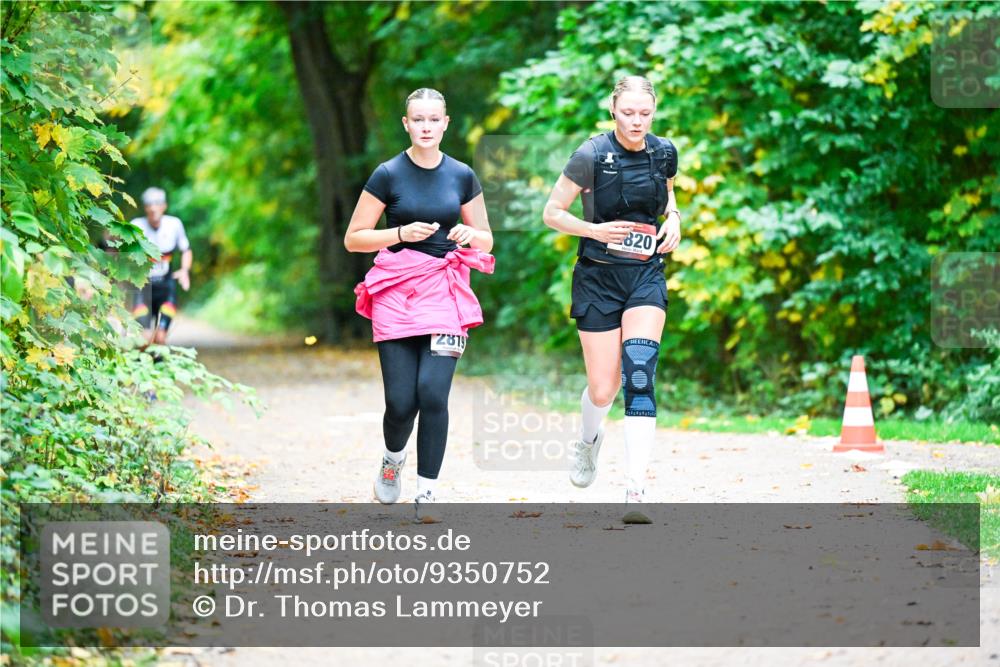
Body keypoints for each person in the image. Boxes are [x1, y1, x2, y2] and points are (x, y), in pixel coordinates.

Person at [345, 88, 494, 520]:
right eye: (418, 120)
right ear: (406, 124)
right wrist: (399, 234)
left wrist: (469, 236)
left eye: (434, 119)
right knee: (401, 403)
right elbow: (354, 238)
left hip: (446, 291)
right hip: (396, 291)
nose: (426, 127)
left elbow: (486, 237)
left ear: (446, 123)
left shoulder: (462, 175)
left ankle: (427, 492)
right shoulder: (388, 174)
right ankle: (393, 458)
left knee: (432, 394)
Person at [542, 76, 681, 519]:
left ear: (654, 111)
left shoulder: (664, 152)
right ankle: (588, 441)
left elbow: (669, 193)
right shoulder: (591, 155)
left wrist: (674, 216)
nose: (637, 121)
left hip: (645, 277)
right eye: (628, 113)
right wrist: (593, 230)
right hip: (598, 279)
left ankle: (635, 490)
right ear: (612, 109)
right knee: (603, 390)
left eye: (645, 113)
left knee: (639, 373)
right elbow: (552, 213)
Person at [130, 187, 193, 346]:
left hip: (166, 289)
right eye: (149, 205)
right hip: (142, 290)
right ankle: (143, 368)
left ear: (164, 206)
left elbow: (186, 249)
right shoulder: (136, 226)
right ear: (145, 208)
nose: (153, 208)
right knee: (144, 338)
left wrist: (185, 270)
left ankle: (159, 368)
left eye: (157, 204)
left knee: (160, 338)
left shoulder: (174, 224)